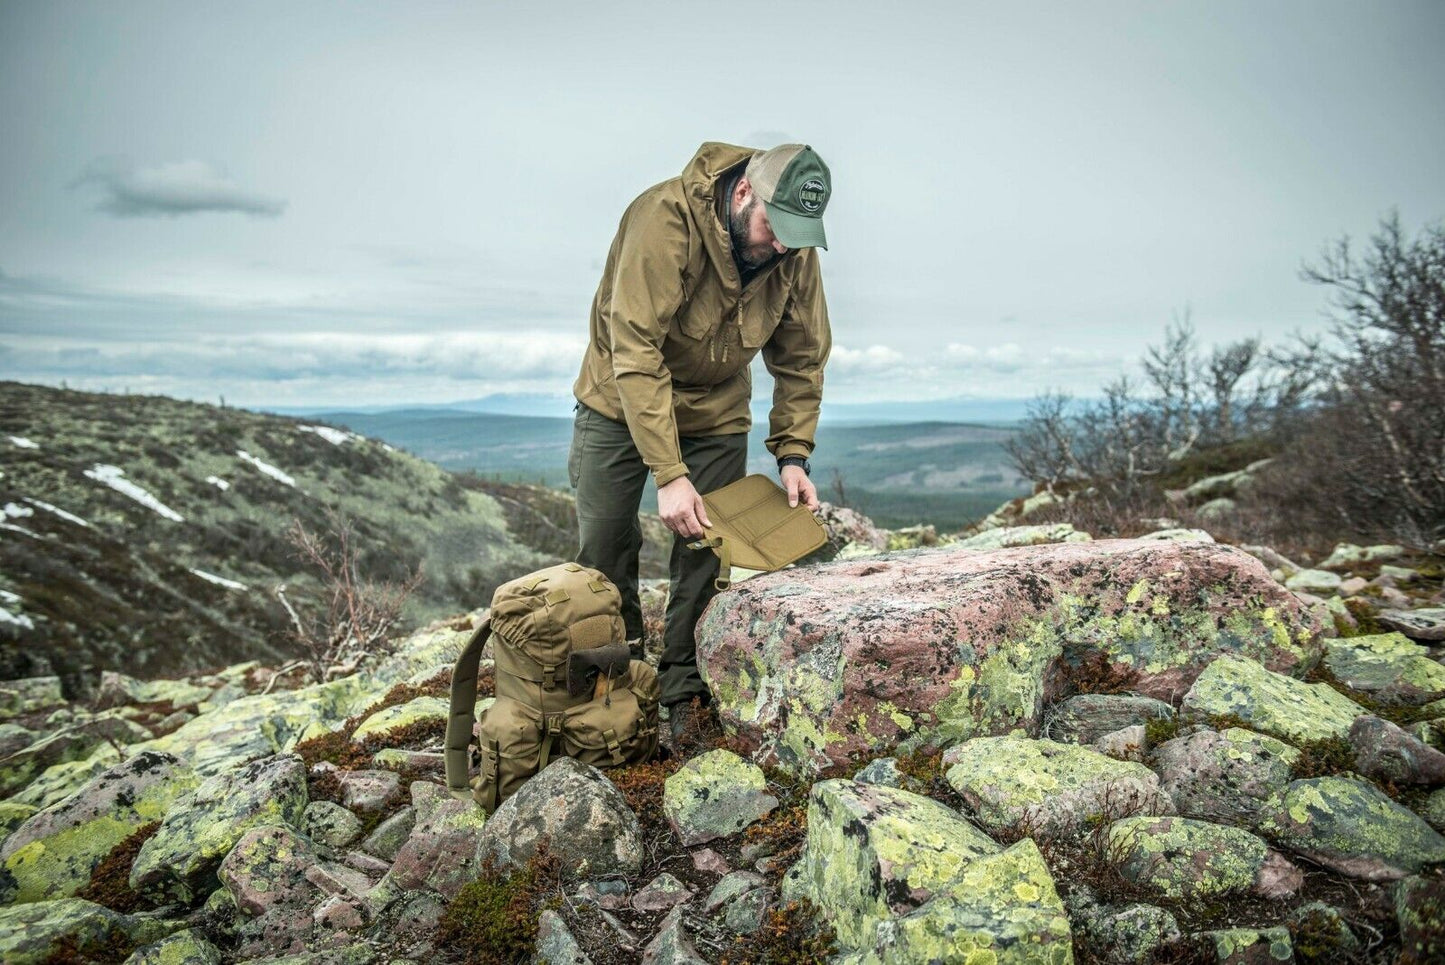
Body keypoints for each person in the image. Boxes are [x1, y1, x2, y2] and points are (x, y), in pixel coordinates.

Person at [569, 141, 834, 745]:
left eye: (799, 234)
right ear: (745, 194)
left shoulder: (794, 251)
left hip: (715, 412)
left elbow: (802, 356)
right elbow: (634, 352)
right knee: (606, 542)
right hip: (618, 401)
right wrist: (669, 473)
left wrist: (793, 455)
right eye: (776, 227)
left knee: (707, 553)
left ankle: (682, 688)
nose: (785, 246)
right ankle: (613, 683)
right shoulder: (661, 220)